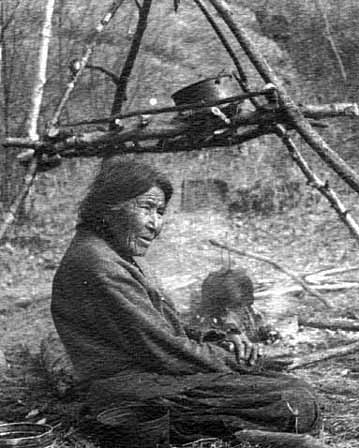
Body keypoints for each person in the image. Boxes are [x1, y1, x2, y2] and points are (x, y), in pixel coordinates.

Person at [51, 157, 320, 441]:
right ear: (109, 207)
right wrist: (232, 358)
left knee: (290, 391)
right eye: (147, 208)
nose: (156, 224)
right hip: (132, 391)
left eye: (160, 211)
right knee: (293, 401)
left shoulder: (113, 254)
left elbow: (166, 325)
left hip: (152, 377)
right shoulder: (99, 265)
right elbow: (166, 351)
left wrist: (220, 339)